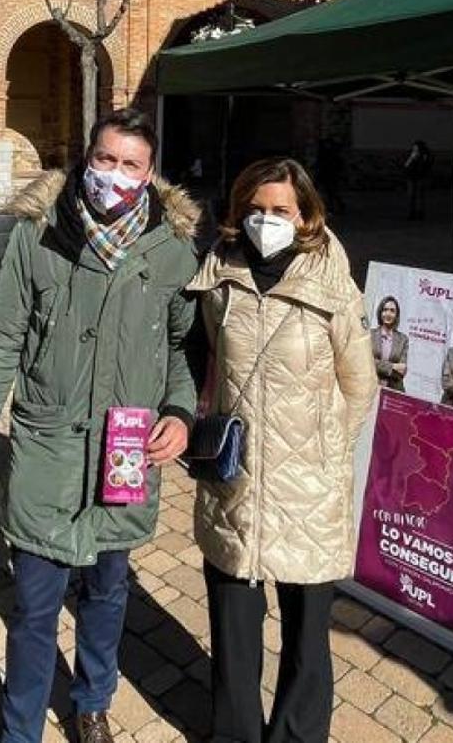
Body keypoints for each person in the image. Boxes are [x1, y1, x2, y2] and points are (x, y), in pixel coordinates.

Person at [0, 108, 199, 743]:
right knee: (34, 608)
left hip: (125, 453)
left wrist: (179, 412)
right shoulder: (38, 237)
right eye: (105, 160)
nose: (114, 176)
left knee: (107, 592)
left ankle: (92, 702)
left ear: (151, 174)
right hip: (49, 454)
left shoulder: (171, 251)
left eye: (130, 165)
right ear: (86, 158)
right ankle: (20, 729)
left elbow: (177, 351)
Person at [187, 158, 378, 743]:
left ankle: (296, 734)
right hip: (236, 485)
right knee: (234, 632)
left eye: (280, 211)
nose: (266, 221)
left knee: (306, 637)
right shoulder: (219, 273)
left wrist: (326, 452)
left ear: (306, 216)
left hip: (309, 489)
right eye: (255, 210)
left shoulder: (332, 283)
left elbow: (359, 383)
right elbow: (204, 360)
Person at [371, 295, 409, 392]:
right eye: (385, 310)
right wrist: (392, 367)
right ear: (380, 312)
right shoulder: (370, 334)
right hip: (370, 386)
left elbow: (401, 371)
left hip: (393, 390)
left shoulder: (403, 339)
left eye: (392, 311)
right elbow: (366, 362)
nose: (388, 314)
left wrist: (378, 364)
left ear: (397, 315)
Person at [403, 140, 432, 220]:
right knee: (411, 196)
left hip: (421, 178)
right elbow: (405, 166)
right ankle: (412, 213)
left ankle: (420, 213)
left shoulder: (425, 155)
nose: (415, 149)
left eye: (416, 148)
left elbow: (427, 166)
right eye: (414, 148)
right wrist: (411, 158)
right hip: (411, 178)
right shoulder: (410, 155)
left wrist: (422, 159)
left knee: (420, 196)